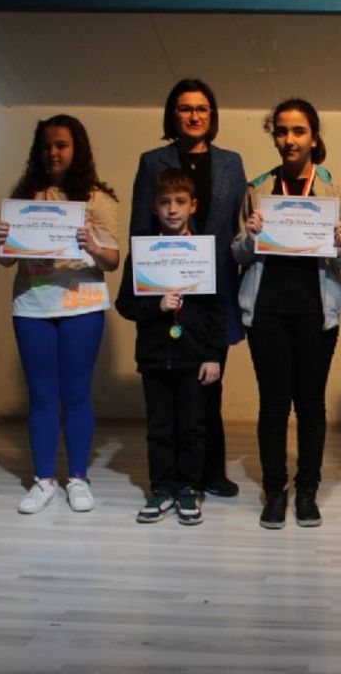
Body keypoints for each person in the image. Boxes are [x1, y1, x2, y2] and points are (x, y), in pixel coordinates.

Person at [234, 98, 341, 529]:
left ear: (314, 137)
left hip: (316, 311)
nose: (290, 139)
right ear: (275, 136)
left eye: (298, 131)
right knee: (272, 406)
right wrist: (250, 237)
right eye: (282, 131)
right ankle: (275, 491)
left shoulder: (333, 191)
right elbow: (237, 253)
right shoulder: (258, 188)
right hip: (266, 310)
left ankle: (307, 491)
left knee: (310, 405)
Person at [0, 114, 120, 514]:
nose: (53, 152)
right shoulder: (24, 197)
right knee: (42, 395)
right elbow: (4, 259)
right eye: (47, 146)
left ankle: (77, 478)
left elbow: (112, 260)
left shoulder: (98, 199)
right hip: (32, 306)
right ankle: (43, 480)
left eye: (61, 145)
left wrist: (92, 245)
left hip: (83, 304)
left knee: (76, 393)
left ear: (76, 148)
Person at [132, 79, 246, 499]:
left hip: (217, 289)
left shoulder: (231, 162)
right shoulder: (152, 162)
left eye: (202, 108)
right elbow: (140, 226)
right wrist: (147, 284)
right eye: (185, 108)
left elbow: (237, 226)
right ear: (172, 115)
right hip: (165, 284)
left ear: (212, 115)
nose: (194, 116)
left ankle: (210, 472)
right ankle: (174, 478)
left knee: (209, 380)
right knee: (172, 386)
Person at [115, 169, 226, 526]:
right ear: (154, 207)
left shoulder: (204, 252)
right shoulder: (142, 253)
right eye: (165, 202)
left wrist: (212, 355)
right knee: (160, 428)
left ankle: (188, 488)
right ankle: (162, 488)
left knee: (192, 428)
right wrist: (157, 306)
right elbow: (125, 305)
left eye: (180, 202)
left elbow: (216, 309)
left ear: (193, 205)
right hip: (154, 357)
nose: (172, 209)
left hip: (194, 357)